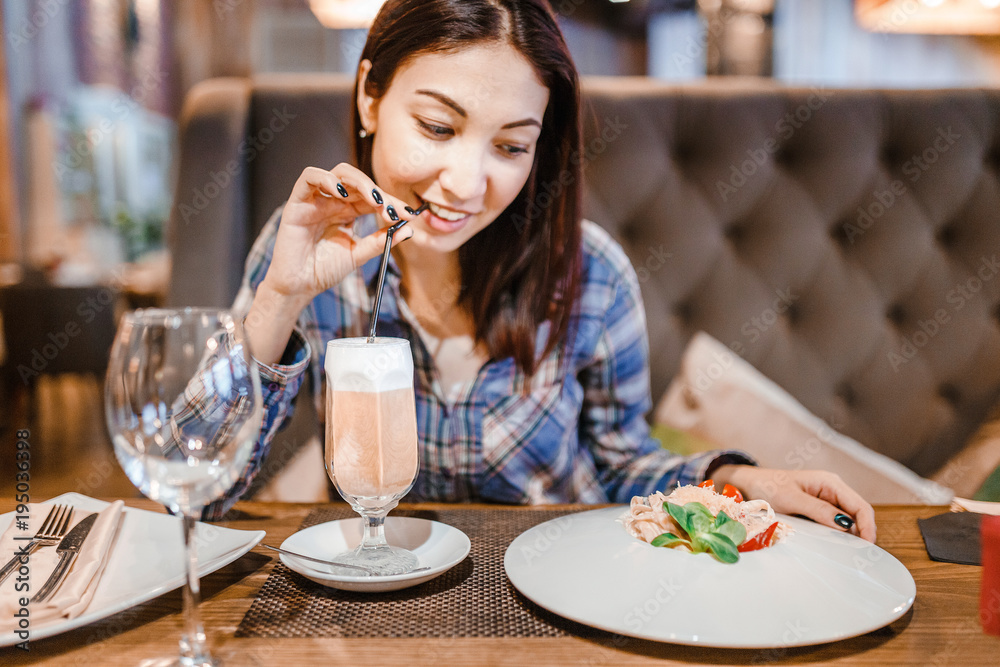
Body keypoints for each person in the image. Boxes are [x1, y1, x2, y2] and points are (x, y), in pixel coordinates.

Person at [202, 0, 876, 543]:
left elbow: (622, 463)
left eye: (510, 145)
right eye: (438, 126)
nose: (466, 183)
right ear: (370, 98)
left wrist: (738, 479)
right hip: (382, 601)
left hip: (564, 594)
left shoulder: (589, 274)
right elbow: (200, 488)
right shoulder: (307, 249)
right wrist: (280, 297)